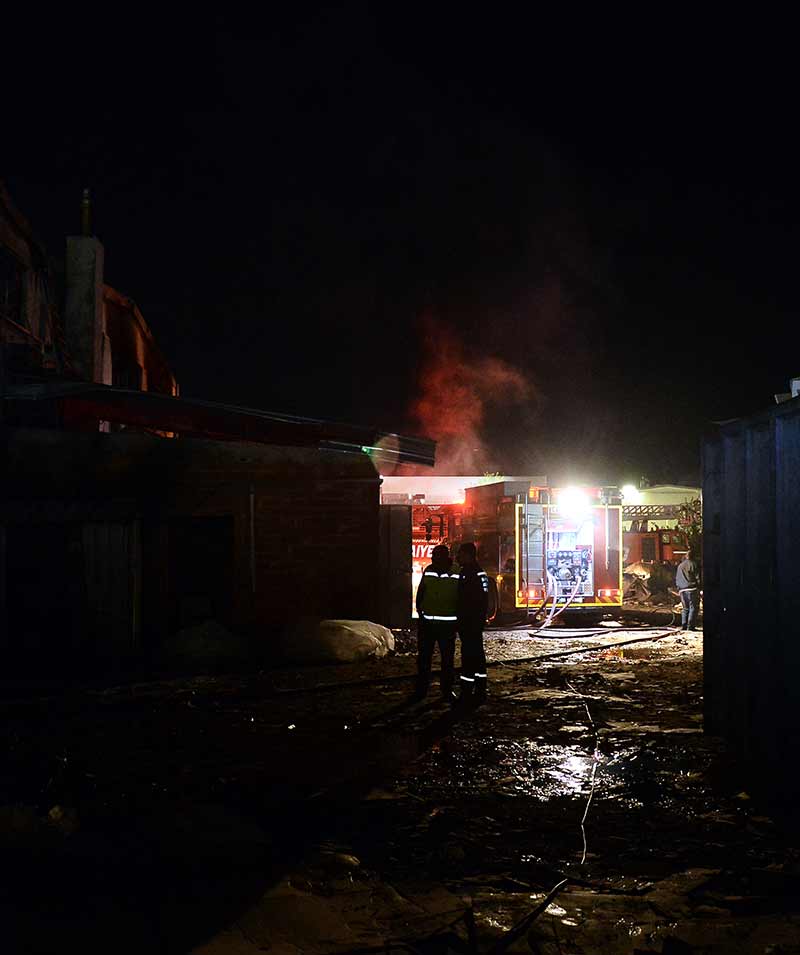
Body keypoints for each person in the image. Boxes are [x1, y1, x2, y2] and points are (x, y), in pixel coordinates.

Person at [413, 544, 459, 702]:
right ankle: (422, 690)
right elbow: (421, 591)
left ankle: (446, 690)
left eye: (437, 556)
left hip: (446, 625)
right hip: (428, 624)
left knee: (447, 660)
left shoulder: (457, 571)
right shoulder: (429, 570)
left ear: (446, 557)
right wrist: (420, 610)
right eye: (434, 556)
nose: (434, 559)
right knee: (424, 659)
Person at [456, 542, 490, 706]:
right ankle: (478, 688)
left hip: (470, 622)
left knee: (471, 655)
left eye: (460, 554)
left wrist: (475, 619)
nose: (458, 557)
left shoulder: (473, 573)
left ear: (469, 555)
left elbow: (479, 600)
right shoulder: (471, 572)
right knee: (474, 654)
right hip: (469, 621)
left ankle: (469, 690)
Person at [675, 549, 701, 631]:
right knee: (693, 607)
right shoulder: (693, 564)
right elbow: (698, 578)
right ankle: (690, 627)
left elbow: (677, 578)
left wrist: (678, 588)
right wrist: (700, 588)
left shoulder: (680, 566)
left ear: (686, 556)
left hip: (682, 590)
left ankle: (684, 626)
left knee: (685, 608)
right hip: (692, 589)